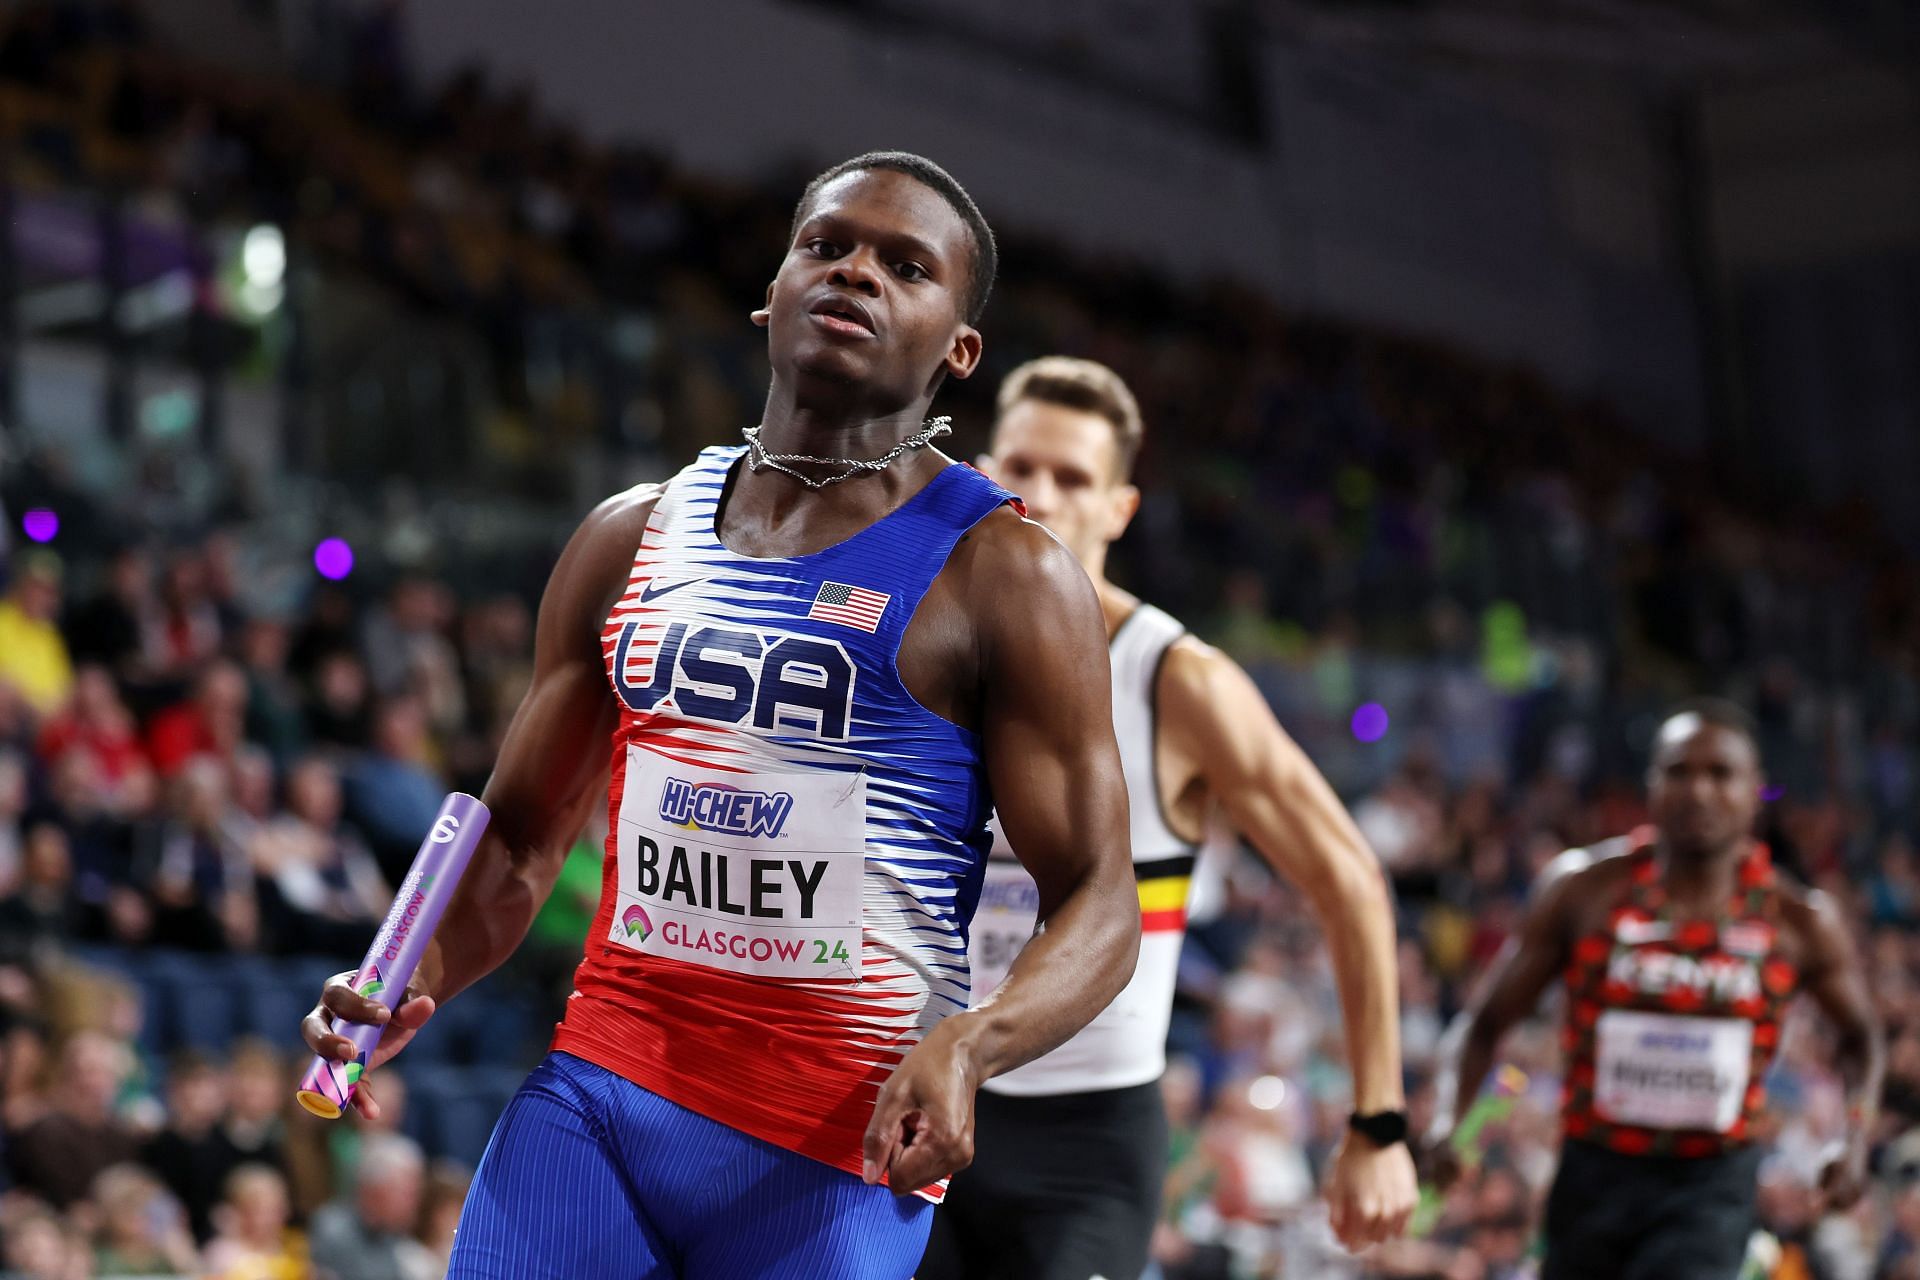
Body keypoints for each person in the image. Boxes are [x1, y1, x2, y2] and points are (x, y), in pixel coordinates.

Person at [301, 151, 1141, 1279]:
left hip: (835, 1148)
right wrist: (422, 968)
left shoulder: (1005, 576)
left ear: (959, 348)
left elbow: (1100, 897)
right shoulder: (630, 534)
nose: (855, 274)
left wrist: (971, 1043)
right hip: (602, 1095)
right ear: (771, 293)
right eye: (826, 245)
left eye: (904, 265)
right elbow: (520, 834)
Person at [919, 357, 1417, 1280]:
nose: (1040, 495)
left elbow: (1349, 877)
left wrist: (1378, 1121)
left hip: (1085, 1140)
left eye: (1074, 479)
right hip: (908, 1094)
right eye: (1020, 467)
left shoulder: (1177, 681)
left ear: (1119, 510)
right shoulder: (906, 637)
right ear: (979, 473)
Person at [1425, 700, 1885, 1280]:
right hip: (1593, 1172)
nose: (1698, 791)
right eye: (1679, 772)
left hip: (1710, 1183)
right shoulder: (1583, 891)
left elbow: (1861, 1036)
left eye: (1720, 774)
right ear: (1652, 784)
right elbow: (1485, 1022)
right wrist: (1448, 1123)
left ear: (1755, 790)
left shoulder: (1797, 921)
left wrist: (1855, 1137)